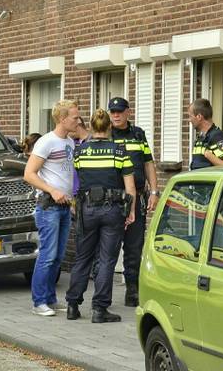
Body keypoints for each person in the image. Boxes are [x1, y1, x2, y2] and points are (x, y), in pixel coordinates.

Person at [65, 109, 136, 323]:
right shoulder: (120, 152)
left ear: (93, 127)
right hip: (112, 210)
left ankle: (72, 305)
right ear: (109, 127)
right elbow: (130, 187)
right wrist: (131, 212)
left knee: (83, 257)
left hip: (86, 208)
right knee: (106, 260)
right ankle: (99, 309)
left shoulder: (80, 152)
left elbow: (76, 183)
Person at [24, 100, 79, 317]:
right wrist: (53, 190)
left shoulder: (70, 143)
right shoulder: (46, 142)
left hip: (64, 207)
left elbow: (67, 174)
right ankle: (39, 302)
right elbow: (29, 174)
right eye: (74, 117)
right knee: (47, 254)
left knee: (58, 256)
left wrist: (71, 198)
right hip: (49, 207)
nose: (78, 120)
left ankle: (50, 299)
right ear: (62, 118)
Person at [109, 97, 158, 307]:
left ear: (128, 112)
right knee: (109, 247)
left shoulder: (138, 134)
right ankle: (102, 295)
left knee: (134, 247)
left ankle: (132, 291)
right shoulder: (105, 135)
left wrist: (154, 191)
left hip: (136, 197)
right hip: (112, 198)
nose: (116, 115)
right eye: (113, 112)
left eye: (120, 111)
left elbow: (148, 163)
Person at [188, 98, 223, 170]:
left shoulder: (218, 137)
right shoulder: (201, 138)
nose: (189, 120)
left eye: (190, 116)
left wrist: (209, 156)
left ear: (199, 117)